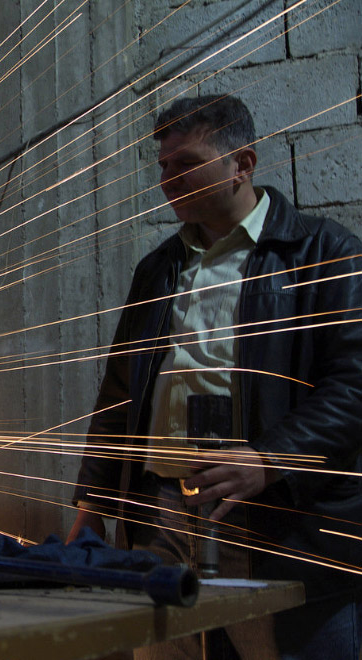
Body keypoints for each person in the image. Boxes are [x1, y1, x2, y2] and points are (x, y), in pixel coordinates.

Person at [67, 95, 362, 658]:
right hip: (160, 515)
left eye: (187, 164)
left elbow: (352, 386)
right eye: (163, 167)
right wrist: (93, 506)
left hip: (273, 516)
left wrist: (271, 459)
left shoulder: (321, 252)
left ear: (241, 164)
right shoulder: (159, 267)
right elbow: (119, 394)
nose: (168, 180)